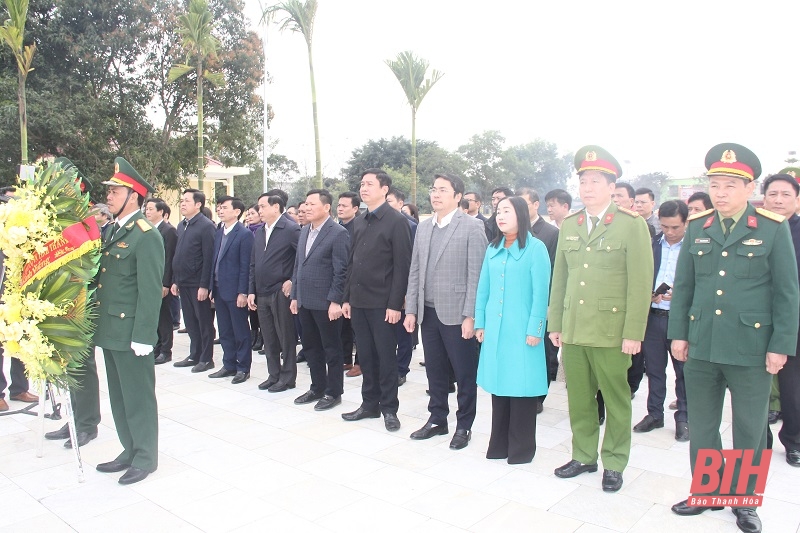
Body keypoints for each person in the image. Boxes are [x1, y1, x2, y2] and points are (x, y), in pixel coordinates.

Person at [668, 144, 799, 533]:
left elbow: (787, 293)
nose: (720, 192)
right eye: (714, 184)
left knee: (750, 428)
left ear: (749, 187)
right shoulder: (698, 226)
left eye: (729, 185)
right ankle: (707, 493)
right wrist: (679, 334)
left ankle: (744, 501)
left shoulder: (772, 227)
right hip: (703, 344)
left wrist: (780, 346)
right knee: (704, 425)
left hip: (751, 348)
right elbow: (685, 285)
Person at [548, 145, 653, 493]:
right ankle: (584, 455)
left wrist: (633, 331)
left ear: (612, 187)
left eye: (595, 181)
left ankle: (615, 461)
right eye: (583, 181)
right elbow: (560, 277)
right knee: (578, 398)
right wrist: (556, 324)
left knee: (616, 399)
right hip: (576, 329)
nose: (588, 187)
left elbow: (640, 284)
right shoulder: (571, 225)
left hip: (612, 332)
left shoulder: (630, 225)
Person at [93, 157, 164, 485]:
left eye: (115, 191)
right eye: (109, 190)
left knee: (138, 395)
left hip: (132, 331)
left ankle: (146, 456)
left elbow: (150, 291)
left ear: (133, 195)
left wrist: (144, 335)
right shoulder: (115, 229)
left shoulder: (146, 235)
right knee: (119, 395)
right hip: (111, 329)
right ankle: (129, 448)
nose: (108, 196)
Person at [404, 174, 487, 450]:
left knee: (464, 374)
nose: (436, 194)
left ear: (457, 196)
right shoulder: (424, 227)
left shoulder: (472, 228)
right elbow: (415, 270)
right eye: (433, 189)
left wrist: (471, 316)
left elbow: (477, 275)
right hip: (428, 313)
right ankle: (438, 418)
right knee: (435, 372)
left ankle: (464, 425)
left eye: (443, 190)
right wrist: (412, 309)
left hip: (457, 314)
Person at [475, 196, 550, 463]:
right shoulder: (493, 248)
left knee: (523, 388)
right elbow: (483, 288)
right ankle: (499, 445)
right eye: (497, 211)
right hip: (496, 330)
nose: (500, 216)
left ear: (521, 214)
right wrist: (480, 322)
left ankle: (521, 449)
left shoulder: (536, 248)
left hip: (523, 332)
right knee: (500, 386)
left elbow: (542, 293)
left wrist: (536, 328)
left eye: (506, 211)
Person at [342, 168, 411, 432]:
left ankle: (389, 409)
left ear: (384, 189)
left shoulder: (397, 221)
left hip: (383, 305)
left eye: (370, 184)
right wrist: (346, 297)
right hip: (359, 302)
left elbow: (402, 267)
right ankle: (369, 404)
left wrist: (395, 304)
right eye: (362, 184)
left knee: (385, 358)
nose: (364, 188)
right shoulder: (359, 221)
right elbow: (351, 263)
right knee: (366, 357)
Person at [42, 160, 99, 447]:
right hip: (54, 300)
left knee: (80, 365)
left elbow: (92, 264)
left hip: (77, 302)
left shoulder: (85, 221)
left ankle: (87, 422)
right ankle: (72, 418)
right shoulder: (51, 219)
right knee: (63, 365)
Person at [291, 189, 351, 411]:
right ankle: (317, 386)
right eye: (305, 203)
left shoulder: (338, 233)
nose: (306, 208)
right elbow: (298, 266)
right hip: (305, 301)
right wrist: (295, 295)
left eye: (311, 204)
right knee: (311, 347)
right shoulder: (305, 230)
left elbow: (341, 270)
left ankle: (334, 392)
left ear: (326, 207)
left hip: (326, 304)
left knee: (331, 349)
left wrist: (335, 301)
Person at [634, 200, 689, 441]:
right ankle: (654, 414)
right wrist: (649, 295)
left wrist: (682, 293)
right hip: (654, 316)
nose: (669, 232)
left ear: (685, 222)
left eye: (675, 227)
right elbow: (641, 275)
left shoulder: (695, 247)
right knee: (655, 370)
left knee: (683, 371)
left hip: (681, 319)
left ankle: (684, 418)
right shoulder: (652, 243)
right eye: (665, 226)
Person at [762, 171, 800, 466]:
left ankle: (794, 440)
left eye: (785, 194)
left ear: (797, 199)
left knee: (793, 389)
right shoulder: (754, 229)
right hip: (756, 321)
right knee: (753, 386)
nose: (778, 200)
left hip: (793, 324)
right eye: (773, 194)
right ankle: (759, 439)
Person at [248, 194, 301, 392]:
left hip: (280, 291)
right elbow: (253, 263)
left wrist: (292, 281)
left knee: (285, 336)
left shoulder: (290, 229)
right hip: (261, 291)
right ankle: (274, 374)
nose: (259, 211)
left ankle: (288, 378)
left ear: (276, 207)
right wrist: (251, 290)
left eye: (262, 207)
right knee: (268, 336)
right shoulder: (261, 231)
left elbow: (301, 258)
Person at [516, 187, 559, 413]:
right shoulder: (509, 233)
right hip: (517, 305)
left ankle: (538, 396)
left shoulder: (550, 233)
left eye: (524, 204)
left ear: (535, 205)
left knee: (542, 351)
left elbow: (553, 273)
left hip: (541, 303)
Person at [208, 196, 254, 384]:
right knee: (225, 330)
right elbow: (214, 261)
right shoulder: (219, 232)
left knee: (240, 330)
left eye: (224, 208)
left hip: (236, 292)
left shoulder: (244, 234)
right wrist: (211, 286)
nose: (220, 210)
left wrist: (243, 292)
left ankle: (243, 367)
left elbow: (246, 265)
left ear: (236, 212)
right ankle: (229, 364)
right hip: (219, 289)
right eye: (219, 207)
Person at [171, 189, 216, 372]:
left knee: (203, 322)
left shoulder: (206, 226)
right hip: (183, 281)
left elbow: (209, 257)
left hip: (198, 283)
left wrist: (204, 285)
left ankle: (206, 358)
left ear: (198, 204)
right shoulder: (182, 225)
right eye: (181, 200)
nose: (182, 203)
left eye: (187, 201)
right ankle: (194, 354)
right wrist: (175, 280)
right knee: (190, 322)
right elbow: (178, 255)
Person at [385, 186, 416, 386]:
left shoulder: (410, 226)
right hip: (382, 290)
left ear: (400, 203)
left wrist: (406, 292)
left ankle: (401, 369)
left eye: (389, 201)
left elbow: (411, 262)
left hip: (403, 290)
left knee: (404, 333)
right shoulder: (376, 223)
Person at [144, 198, 178, 365]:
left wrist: (166, 283)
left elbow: (170, 258)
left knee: (164, 317)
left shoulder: (168, 231)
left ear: (161, 212)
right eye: (147, 209)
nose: (147, 212)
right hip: (150, 280)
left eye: (151, 209)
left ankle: (166, 350)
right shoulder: (147, 229)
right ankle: (156, 347)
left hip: (162, 282)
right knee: (154, 317)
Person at [337, 192, 361, 376]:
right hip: (340, 281)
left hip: (356, 282)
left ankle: (360, 362)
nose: (340, 208)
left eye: (344, 206)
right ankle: (345, 358)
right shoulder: (337, 228)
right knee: (343, 324)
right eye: (339, 205)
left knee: (357, 325)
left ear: (355, 209)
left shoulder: (360, 227)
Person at [245, 205, 264, 352]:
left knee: (259, 308)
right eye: (248, 214)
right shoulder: (247, 232)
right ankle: (254, 333)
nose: (249, 216)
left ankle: (262, 336)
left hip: (262, 277)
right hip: (249, 275)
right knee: (251, 308)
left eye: (253, 213)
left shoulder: (262, 231)